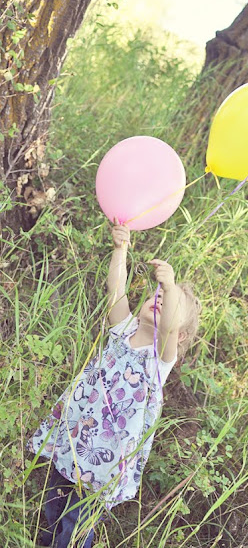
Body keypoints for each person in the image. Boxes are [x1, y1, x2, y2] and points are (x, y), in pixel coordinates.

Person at [27, 219, 201, 547]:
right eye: (158, 294)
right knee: (55, 501)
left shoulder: (160, 357)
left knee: (78, 523)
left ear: (180, 335)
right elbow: (116, 290)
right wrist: (120, 250)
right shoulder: (124, 329)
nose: (161, 299)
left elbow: (167, 326)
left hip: (107, 457)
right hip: (77, 433)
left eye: (170, 302)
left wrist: (172, 285)